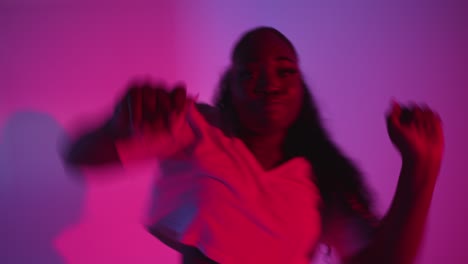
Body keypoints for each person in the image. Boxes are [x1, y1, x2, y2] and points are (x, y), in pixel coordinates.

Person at [64, 27, 444, 264]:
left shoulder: (321, 177)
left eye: (284, 70)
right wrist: (118, 125)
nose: (269, 83)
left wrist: (420, 168)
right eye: (250, 72)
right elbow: (80, 155)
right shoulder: (196, 126)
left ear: (300, 88)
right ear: (230, 87)